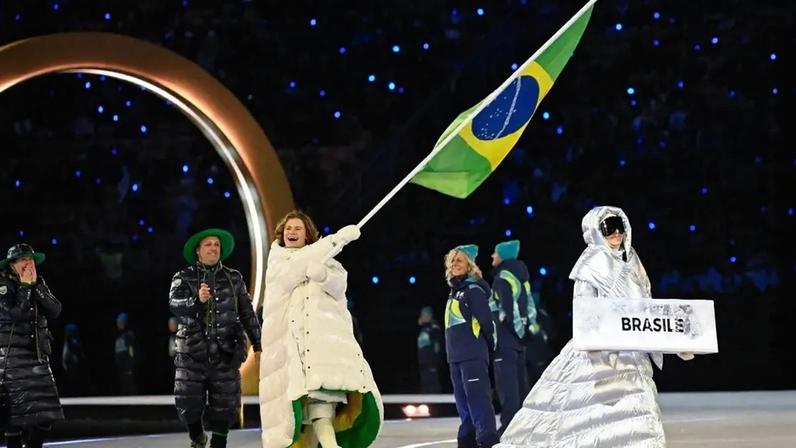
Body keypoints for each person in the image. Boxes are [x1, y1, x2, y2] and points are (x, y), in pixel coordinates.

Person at [496, 206, 694, 448]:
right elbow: (585, 310)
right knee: (590, 415)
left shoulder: (632, 261)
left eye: (620, 226)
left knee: (640, 411)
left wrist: (676, 340)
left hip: (632, 352)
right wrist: (602, 338)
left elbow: (647, 310)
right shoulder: (591, 263)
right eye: (609, 228)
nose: (616, 233)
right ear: (595, 231)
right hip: (601, 352)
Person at [255, 211, 383, 448]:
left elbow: (339, 286)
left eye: (298, 229)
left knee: (321, 407)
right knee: (305, 416)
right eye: (288, 228)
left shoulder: (327, 260)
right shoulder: (278, 261)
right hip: (290, 352)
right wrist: (337, 240)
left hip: (322, 352)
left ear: (308, 235)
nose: (292, 232)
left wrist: (323, 274)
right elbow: (294, 271)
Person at [170, 228, 262, 448]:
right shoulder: (182, 277)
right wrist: (196, 300)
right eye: (208, 244)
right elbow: (175, 306)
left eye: (216, 245)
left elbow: (247, 313)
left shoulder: (234, 278)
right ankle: (197, 437)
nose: (213, 248)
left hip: (227, 352)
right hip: (191, 353)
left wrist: (258, 344)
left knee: (226, 405)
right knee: (188, 402)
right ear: (198, 251)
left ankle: (218, 444)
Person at [0, 244, 64, 448]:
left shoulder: (38, 282)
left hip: (36, 357)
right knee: (14, 418)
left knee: (46, 416)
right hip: (11, 360)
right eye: (22, 260)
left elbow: (55, 310)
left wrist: (36, 287)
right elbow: (15, 315)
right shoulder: (3, 284)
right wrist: (26, 288)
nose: (28, 263)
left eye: (30, 259)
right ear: (12, 265)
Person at [444, 244, 499, 448]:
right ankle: (467, 442)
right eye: (452, 260)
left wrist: (490, 346)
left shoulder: (474, 290)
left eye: (459, 260)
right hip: (456, 358)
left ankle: (488, 441)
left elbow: (487, 322)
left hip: (472, 356)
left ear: (469, 265)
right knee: (464, 405)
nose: (454, 263)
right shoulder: (455, 291)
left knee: (478, 401)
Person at [488, 240, 535, 434]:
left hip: (506, 340)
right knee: (519, 384)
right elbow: (531, 307)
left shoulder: (502, 278)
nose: (492, 256)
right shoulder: (521, 278)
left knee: (507, 387)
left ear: (503, 256)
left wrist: (518, 331)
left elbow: (508, 311)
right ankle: (523, 425)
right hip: (518, 342)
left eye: (495, 253)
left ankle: (509, 427)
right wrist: (527, 330)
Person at [416, 305, 443, 393]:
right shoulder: (423, 329)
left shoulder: (433, 327)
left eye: (424, 315)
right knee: (425, 386)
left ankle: (437, 405)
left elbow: (438, 345)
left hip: (431, 363)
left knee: (433, 386)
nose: (422, 317)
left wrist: (435, 362)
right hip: (423, 364)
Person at [113, 312, 137, 395]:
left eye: (121, 322)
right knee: (123, 385)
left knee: (129, 384)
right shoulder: (118, 336)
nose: (119, 324)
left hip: (128, 365)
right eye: (118, 322)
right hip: (121, 365)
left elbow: (131, 350)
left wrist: (130, 364)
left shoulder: (129, 335)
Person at [61, 323, 88, 396]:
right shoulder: (67, 341)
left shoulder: (73, 342)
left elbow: (77, 354)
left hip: (72, 364)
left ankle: (76, 394)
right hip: (69, 364)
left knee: (74, 381)